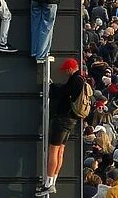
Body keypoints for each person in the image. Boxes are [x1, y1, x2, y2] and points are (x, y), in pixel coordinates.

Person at [37, 58, 84, 197]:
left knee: (53, 150)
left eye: (66, 70)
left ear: (70, 68)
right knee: (61, 151)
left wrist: (52, 86)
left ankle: (48, 183)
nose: (65, 73)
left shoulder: (75, 79)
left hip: (63, 119)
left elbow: (64, 92)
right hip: (72, 120)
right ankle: (54, 181)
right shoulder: (81, 79)